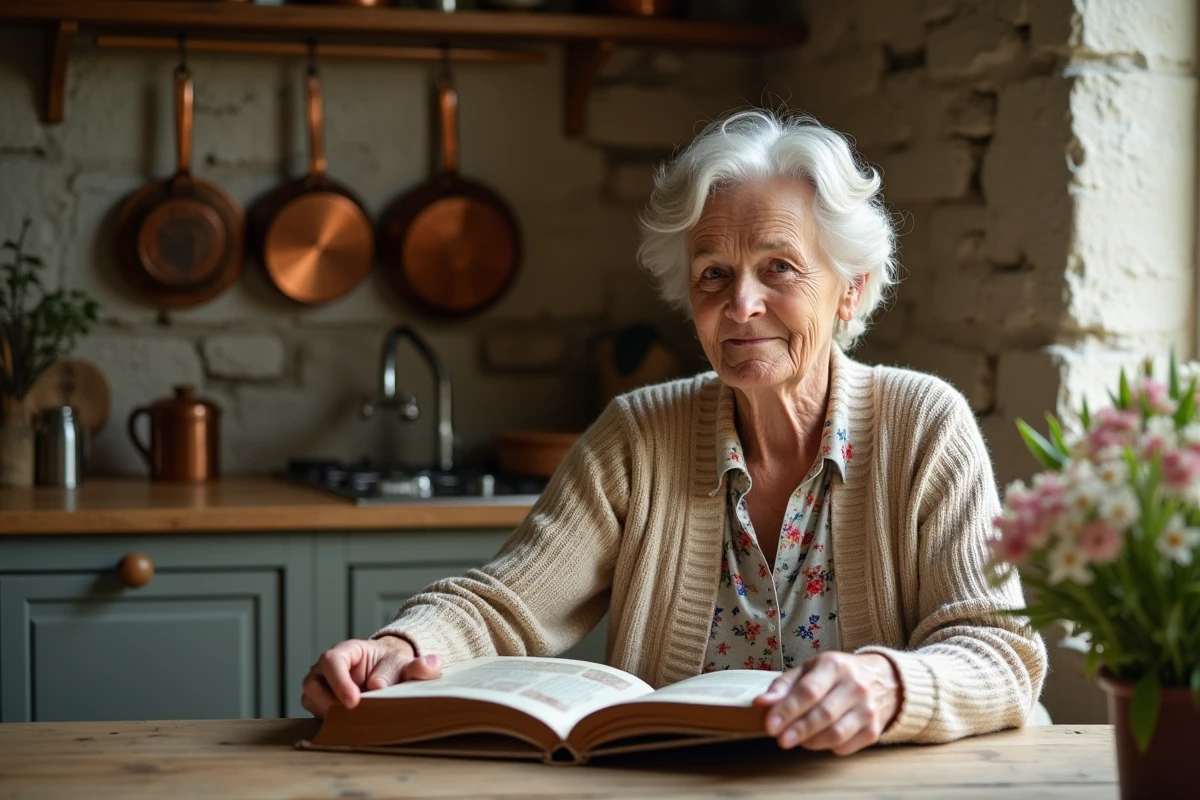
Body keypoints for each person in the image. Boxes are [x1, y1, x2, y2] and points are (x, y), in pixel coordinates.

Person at [301, 110, 1047, 756]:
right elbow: (504, 605)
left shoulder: (924, 425)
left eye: (779, 268)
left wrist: (889, 684)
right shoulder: (637, 435)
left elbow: (1000, 652)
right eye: (713, 275)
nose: (742, 304)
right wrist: (397, 647)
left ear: (850, 289)